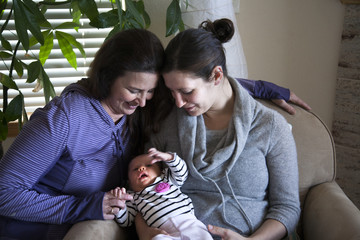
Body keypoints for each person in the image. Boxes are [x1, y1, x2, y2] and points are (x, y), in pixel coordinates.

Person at [0, 27, 308, 239]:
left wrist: (264, 89)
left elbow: (207, 84)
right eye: (135, 90)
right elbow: (4, 194)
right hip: (33, 230)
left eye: (151, 91)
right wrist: (93, 209)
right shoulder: (64, 119)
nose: (144, 101)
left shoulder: (140, 104)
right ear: (107, 77)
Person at [138, 18, 301, 240]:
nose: (178, 103)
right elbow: (140, 190)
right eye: (171, 92)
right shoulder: (166, 122)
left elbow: (287, 208)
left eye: (186, 91)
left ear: (216, 76)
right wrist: (145, 232)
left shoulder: (270, 127)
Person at [112, 148, 213, 240]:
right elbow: (126, 220)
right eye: (135, 169)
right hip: (164, 233)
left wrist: (169, 158)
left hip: (190, 224)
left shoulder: (166, 178)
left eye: (148, 165)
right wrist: (119, 205)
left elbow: (182, 173)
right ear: (129, 182)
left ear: (160, 171)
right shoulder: (132, 197)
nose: (141, 168)